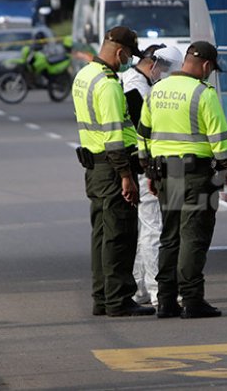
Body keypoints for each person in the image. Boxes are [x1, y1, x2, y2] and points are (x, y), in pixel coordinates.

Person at [137, 41, 227, 319]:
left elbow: (143, 134)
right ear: (206, 66)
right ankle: (193, 300)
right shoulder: (203, 94)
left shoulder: (156, 90)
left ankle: (167, 301)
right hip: (195, 177)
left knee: (169, 237)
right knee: (193, 236)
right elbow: (220, 141)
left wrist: (148, 170)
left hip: (164, 177)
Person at [72, 26, 154, 317]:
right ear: (120, 51)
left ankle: (102, 297)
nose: (130, 60)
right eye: (130, 54)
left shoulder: (84, 76)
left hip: (95, 168)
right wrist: (126, 176)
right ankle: (119, 299)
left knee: (102, 234)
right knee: (119, 235)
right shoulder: (107, 84)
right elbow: (114, 136)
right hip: (112, 169)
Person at [121, 44, 183, 307]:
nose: (164, 75)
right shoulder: (137, 88)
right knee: (153, 229)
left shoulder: (132, 80)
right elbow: (144, 130)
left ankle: (140, 288)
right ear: (153, 63)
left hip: (134, 163)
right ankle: (159, 290)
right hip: (141, 165)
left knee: (145, 228)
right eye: (165, 69)